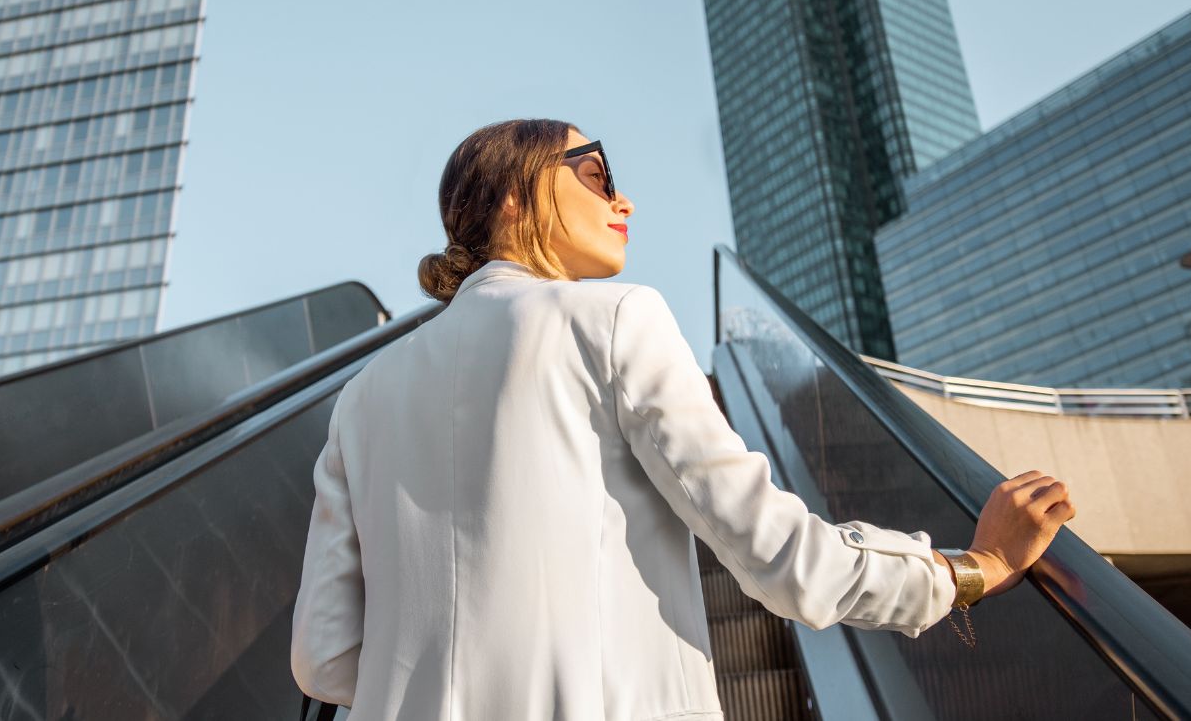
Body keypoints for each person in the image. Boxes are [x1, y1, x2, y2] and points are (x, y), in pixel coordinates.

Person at [291, 119, 1075, 719]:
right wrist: (973, 570)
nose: (621, 198)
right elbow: (781, 558)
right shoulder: (614, 317)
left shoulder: (359, 399)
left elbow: (323, 660)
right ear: (512, 194)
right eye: (594, 173)